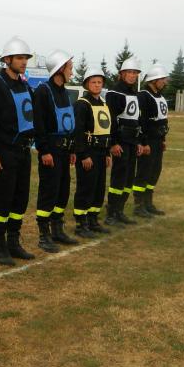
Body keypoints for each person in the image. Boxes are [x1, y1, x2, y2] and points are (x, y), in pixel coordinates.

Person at [0, 35, 36, 266]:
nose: (24, 62)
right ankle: (0, 247)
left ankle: (13, 242)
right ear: (7, 60)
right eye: (19, 58)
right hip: (4, 153)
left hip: (23, 152)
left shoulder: (24, 85)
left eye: (25, 58)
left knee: (20, 199)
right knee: (2, 201)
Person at [32, 49, 78, 252]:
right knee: (48, 192)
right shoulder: (44, 91)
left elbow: (69, 124)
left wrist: (72, 149)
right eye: (69, 68)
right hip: (51, 150)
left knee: (62, 191)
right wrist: (44, 151)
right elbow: (39, 123)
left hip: (65, 151)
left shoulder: (64, 92)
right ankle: (44, 235)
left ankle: (57, 229)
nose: (72, 72)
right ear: (59, 69)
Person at [72, 67, 113, 238]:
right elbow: (78, 132)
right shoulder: (82, 104)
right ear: (87, 84)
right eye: (93, 82)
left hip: (101, 153)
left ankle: (93, 220)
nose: (97, 85)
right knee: (86, 187)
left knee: (98, 188)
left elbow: (106, 130)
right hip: (89, 153)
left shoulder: (103, 103)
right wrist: (84, 155)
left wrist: (108, 153)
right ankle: (81, 223)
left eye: (99, 82)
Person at [105, 57, 143, 226]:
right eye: (130, 72)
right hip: (120, 141)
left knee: (128, 178)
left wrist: (139, 141)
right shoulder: (114, 93)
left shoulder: (133, 93)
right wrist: (113, 143)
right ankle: (111, 213)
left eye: (135, 73)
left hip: (132, 141)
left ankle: (119, 211)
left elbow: (136, 119)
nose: (133, 75)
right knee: (118, 178)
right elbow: (111, 119)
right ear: (122, 74)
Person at [134, 64, 169, 217]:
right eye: (162, 79)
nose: (164, 82)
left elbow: (162, 120)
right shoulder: (143, 96)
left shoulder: (159, 96)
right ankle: (139, 205)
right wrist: (144, 142)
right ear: (154, 80)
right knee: (144, 172)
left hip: (157, 140)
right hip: (147, 141)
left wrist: (163, 139)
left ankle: (148, 203)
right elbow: (141, 121)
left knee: (154, 172)